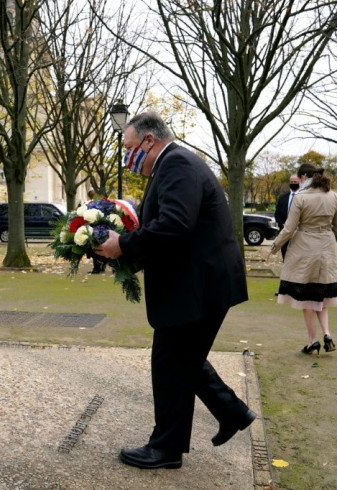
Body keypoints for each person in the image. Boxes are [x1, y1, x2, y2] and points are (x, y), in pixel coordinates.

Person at [95, 112, 254, 470]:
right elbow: (170, 227)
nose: (128, 157)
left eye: (130, 148)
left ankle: (166, 449)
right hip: (198, 283)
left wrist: (125, 245)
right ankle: (232, 412)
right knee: (183, 359)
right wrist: (126, 251)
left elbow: (175, 224)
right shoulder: (175, 164)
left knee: (170, 363)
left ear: (149, 141)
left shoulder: (176, 163)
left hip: (199, 285)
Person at [266, 164, 337, 356]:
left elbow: (289, 228)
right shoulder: (334, 196)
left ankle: (312, 341)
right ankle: (327, 333)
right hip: (326, 247)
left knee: (307, 299)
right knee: (322, 297)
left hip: (305, 249)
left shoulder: (300, 197)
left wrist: (274, 247)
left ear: (303, 177)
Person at [274, 175, 301, 260]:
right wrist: (281, 224)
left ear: (300, 182)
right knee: (285, 256)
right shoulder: (282, 197)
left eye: (295, 182)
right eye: (291, 182)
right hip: (284, 231)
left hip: (299, 232)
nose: (293, 184)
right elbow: (277, 214)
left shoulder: (303, 196)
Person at [86, 189, 107, 274]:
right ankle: (101, 266)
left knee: (95, 248)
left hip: (94, 228)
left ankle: (97, 268)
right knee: (100, 248)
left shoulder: (90, 204)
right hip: (102, 227)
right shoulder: (101, 204)